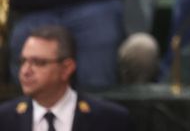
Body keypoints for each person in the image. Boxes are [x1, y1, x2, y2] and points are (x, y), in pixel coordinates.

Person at [0, 26, 133, 130]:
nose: (25, 71)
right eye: (23, 61)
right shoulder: (4, 118)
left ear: (66, 68)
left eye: (38, 62)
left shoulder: (109, 119)